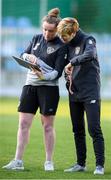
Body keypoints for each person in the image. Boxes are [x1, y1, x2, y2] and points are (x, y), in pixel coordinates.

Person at [2, 8, 67, 171]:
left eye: (50, 30)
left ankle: (49, 161)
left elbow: (57, 73)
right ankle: (18, 161)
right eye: (44, 29)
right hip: (29, 86)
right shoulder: (36, 38)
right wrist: (27, 57)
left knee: (47, 126)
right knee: (23, 123)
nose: (46, 33)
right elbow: (23, 53)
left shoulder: (61, 45)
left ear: (57, 29)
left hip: (48, 89)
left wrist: (42, 76)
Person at [57, 17, 105, 175]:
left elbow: (89, 55)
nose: (63, 39)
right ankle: (81, 164)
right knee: (77, 129)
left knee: (94, 129)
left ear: (74, 32)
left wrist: (72, 62)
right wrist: (67, 74)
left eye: (65, 36)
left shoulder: (88, 40)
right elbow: (64, 66)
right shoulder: (67, 44)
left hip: (90, 91)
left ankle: (99, 165)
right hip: (75, 92)